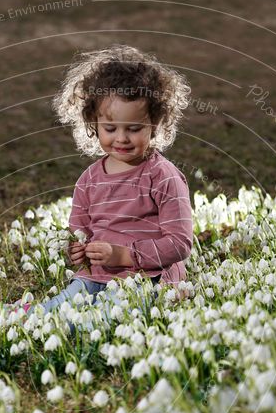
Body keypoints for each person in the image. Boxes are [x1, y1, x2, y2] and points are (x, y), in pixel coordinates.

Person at [10, 44, 194, 331]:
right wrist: (76, 251)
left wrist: (125, 255)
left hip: (148, 281)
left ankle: (56, 325)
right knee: (61, 307)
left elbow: (179, 244)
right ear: (93, 124)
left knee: (100, 321)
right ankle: (23, 319)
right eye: (110, 128)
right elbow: (79, 230)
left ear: (155, 124)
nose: (121, 138)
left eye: (133, 128)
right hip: (94, 277)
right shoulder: (90, 179)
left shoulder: (164, 177)